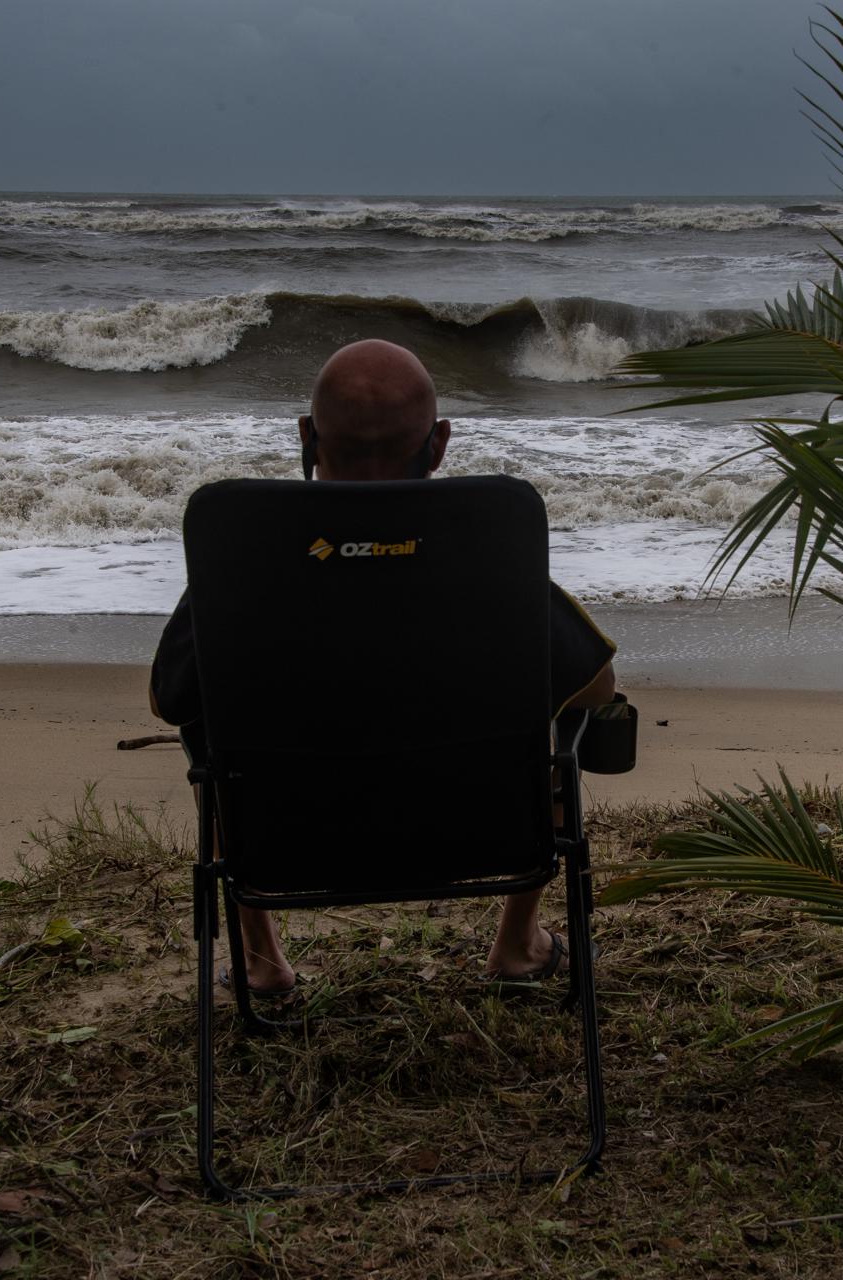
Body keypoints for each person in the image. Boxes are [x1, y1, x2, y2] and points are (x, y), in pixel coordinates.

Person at [149, 338, 617, 996]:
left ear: (309, 437)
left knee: (207, 734)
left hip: (286, 842)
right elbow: (597, 685)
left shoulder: (245, 557)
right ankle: (516, 944)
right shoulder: (487, 552)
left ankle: (262, 960)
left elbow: (172, 698)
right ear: (440, 443)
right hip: (480, 837)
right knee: (563, 715)